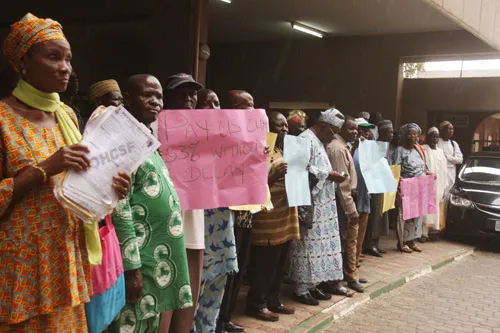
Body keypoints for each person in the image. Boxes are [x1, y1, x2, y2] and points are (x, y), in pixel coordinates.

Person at [0, 13, 129, 331]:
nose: (65, 67)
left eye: (68, 59)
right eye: (53, 57)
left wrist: (111, 188)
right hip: (21, 274)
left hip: (67, 265)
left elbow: (82, 181)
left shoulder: (67, 116)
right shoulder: (2, 119)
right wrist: (46, 168)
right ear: (23, 62)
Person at [110, 74, 192, 332]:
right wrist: (132, 267)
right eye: (148, 95)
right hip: (140, 263)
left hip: (156, 264)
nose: (155, 101)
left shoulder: (144, 136)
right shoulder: (121, 140)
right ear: (127, 99)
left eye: (159, 96)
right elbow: (119, 208)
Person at [288, 108, 348, 306]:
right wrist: (328, 175)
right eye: (331, 131)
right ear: (323, 126)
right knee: (306, 246)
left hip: (323, 204)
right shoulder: (306, 139)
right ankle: (301, 288)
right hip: (310, 202)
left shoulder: (319, 142)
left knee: (317, 247)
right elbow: (301, 167)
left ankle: (313, 285)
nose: (333, 136)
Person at [160, 72, 204, 333]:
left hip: (194, 222)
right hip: (165, 224)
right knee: (166, 291)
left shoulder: (206, 131)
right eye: (181, 92)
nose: (188, 98)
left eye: (192, 93)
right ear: (168, 97)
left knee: (190, 291)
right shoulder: (152, 128)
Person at [191, 89, 238, 333]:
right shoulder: (185, 142)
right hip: (198, 229)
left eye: (217, 103)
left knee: (215, 291)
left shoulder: (228, 143)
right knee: (193, 291)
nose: (213, 108)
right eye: (206, 103)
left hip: (222, 229)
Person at [246, 111, 299, 321]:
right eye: (280, 126)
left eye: (286, 125)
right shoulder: (260, 150)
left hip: (286, 217)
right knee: (265, 266)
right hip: (268, 220)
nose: (285, 129)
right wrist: (274, 175)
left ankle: (273, 300)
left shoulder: (283, 149)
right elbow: (252, 187)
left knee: (280, 265)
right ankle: (256, 304)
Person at [217, 89, 256, 333]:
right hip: (226, 215)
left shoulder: (249, 136)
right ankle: (218, 320)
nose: (251, 111)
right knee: (225, 271)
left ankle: (226, 317)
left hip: (246, 213)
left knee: (239, 268)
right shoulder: (221, 137)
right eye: (245, 106)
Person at [326, 116, 365, 293]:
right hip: (341, 201)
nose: (355, 132)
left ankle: (349, 274)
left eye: (356, 129)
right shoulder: (337, 149)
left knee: (348, 239)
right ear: (340, 129)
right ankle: (340, 279)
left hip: (346, 199)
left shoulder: (344, 146)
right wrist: (351, 210)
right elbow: (341, 184)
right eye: (351, 129)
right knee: (342, 240)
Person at [393, 123, 433, 253]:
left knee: (417, 214)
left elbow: (423, 167)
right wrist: (397, 189)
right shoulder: (400, 150)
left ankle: (412, 240)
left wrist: (429, 173)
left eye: (414, 134)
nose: (412, 136)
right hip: (406, 185)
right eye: (409, 134)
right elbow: (396, 170)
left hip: (419, 186)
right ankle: (402, 242)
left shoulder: (419, 149)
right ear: (405, 135)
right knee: (404, 215)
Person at [363, 120, 394, 257]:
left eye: (392, 131)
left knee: (381, 215)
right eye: (388, 131)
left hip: (384, 184)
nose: (391, 134)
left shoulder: (387, 147)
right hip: (374, 185)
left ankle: (376, 243)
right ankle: (370, 244)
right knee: (374, 215)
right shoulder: (372, 146)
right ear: (380, 132)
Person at [422, 127, 448, 240]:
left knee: (435, 207)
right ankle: (423, 233)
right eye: (432, 136)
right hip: (426, 184)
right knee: (425, 207)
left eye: (437, 136)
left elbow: (444, 169)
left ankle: (433, 231)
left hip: (438, 184)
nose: (435, 139)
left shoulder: (441, 151)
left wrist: (444, 184)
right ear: (428, 137)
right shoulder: (423, 149)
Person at [437, 121, 463, 193]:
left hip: (451, 173)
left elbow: (460, 160)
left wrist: (447, 157)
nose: (451, 131)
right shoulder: (437, 142)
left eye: (452, 129)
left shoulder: (454, 144)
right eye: (449, 129)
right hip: (439, 172)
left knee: (448, 195)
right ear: (442, 130)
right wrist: (452, 159)